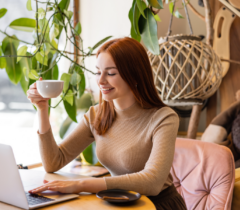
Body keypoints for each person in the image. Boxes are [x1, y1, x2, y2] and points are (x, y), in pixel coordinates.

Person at [26, 37, 187, 210]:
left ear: (135, 75)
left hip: (157, 205)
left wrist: (82, 185)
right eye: (97, 72)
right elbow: (53, 162)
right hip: (117, 202)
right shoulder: (97, 115)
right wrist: (42, 109)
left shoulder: (163, 118)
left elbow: (153, 182)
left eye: (110, 73)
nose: (101, 81)